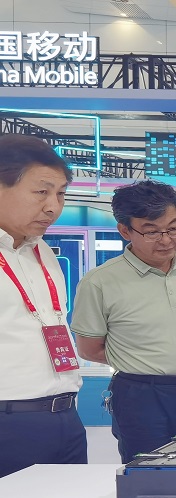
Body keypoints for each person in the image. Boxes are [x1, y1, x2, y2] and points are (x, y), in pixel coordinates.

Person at [71, 180, 176, 463]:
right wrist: (146, 362)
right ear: (125, 231)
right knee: (148, 474)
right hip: (141, 396)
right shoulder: (100, 282)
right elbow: (88, 348)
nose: (166, 240)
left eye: (173, 228)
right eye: (152, 231)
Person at [0, 134, 88, 478]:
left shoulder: (43, 251)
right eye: (41, 191)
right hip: (9, 421)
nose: (53, 206)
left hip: (65, 416)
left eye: (61, 193)